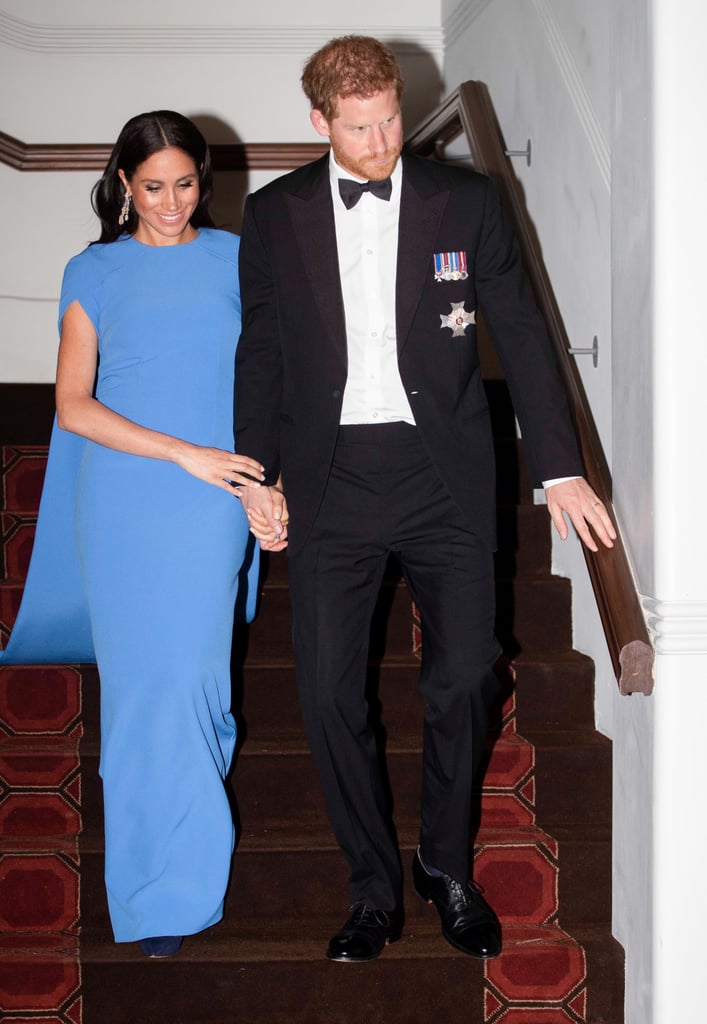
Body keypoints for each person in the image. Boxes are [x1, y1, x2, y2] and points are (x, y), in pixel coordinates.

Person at [234, 36, 616, 964]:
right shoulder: (274, 213)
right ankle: (371, 890)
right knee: (327, 696)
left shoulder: (467, 199)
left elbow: (521, 332)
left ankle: (444, 867)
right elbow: (263, 352)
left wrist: (557, 463)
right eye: (358, 128)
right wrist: (258, 473)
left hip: (440, 472)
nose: (380, 142)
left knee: (465, 673)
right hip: (329, 477)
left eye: (391, 121)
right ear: (319, 122)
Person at [0, 110, 268, 958]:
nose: (170, 202)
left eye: (184, 184)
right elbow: (73, 403)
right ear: (121, 185)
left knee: (196, 689)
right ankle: (157, 893)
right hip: (130, 499)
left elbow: (268, 375)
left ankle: (181, 839)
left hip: (212, 500)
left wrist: (261, 479)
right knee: (152, 694)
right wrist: (185, 454)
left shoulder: (237, 259)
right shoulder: (94, 269)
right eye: (152, 187)